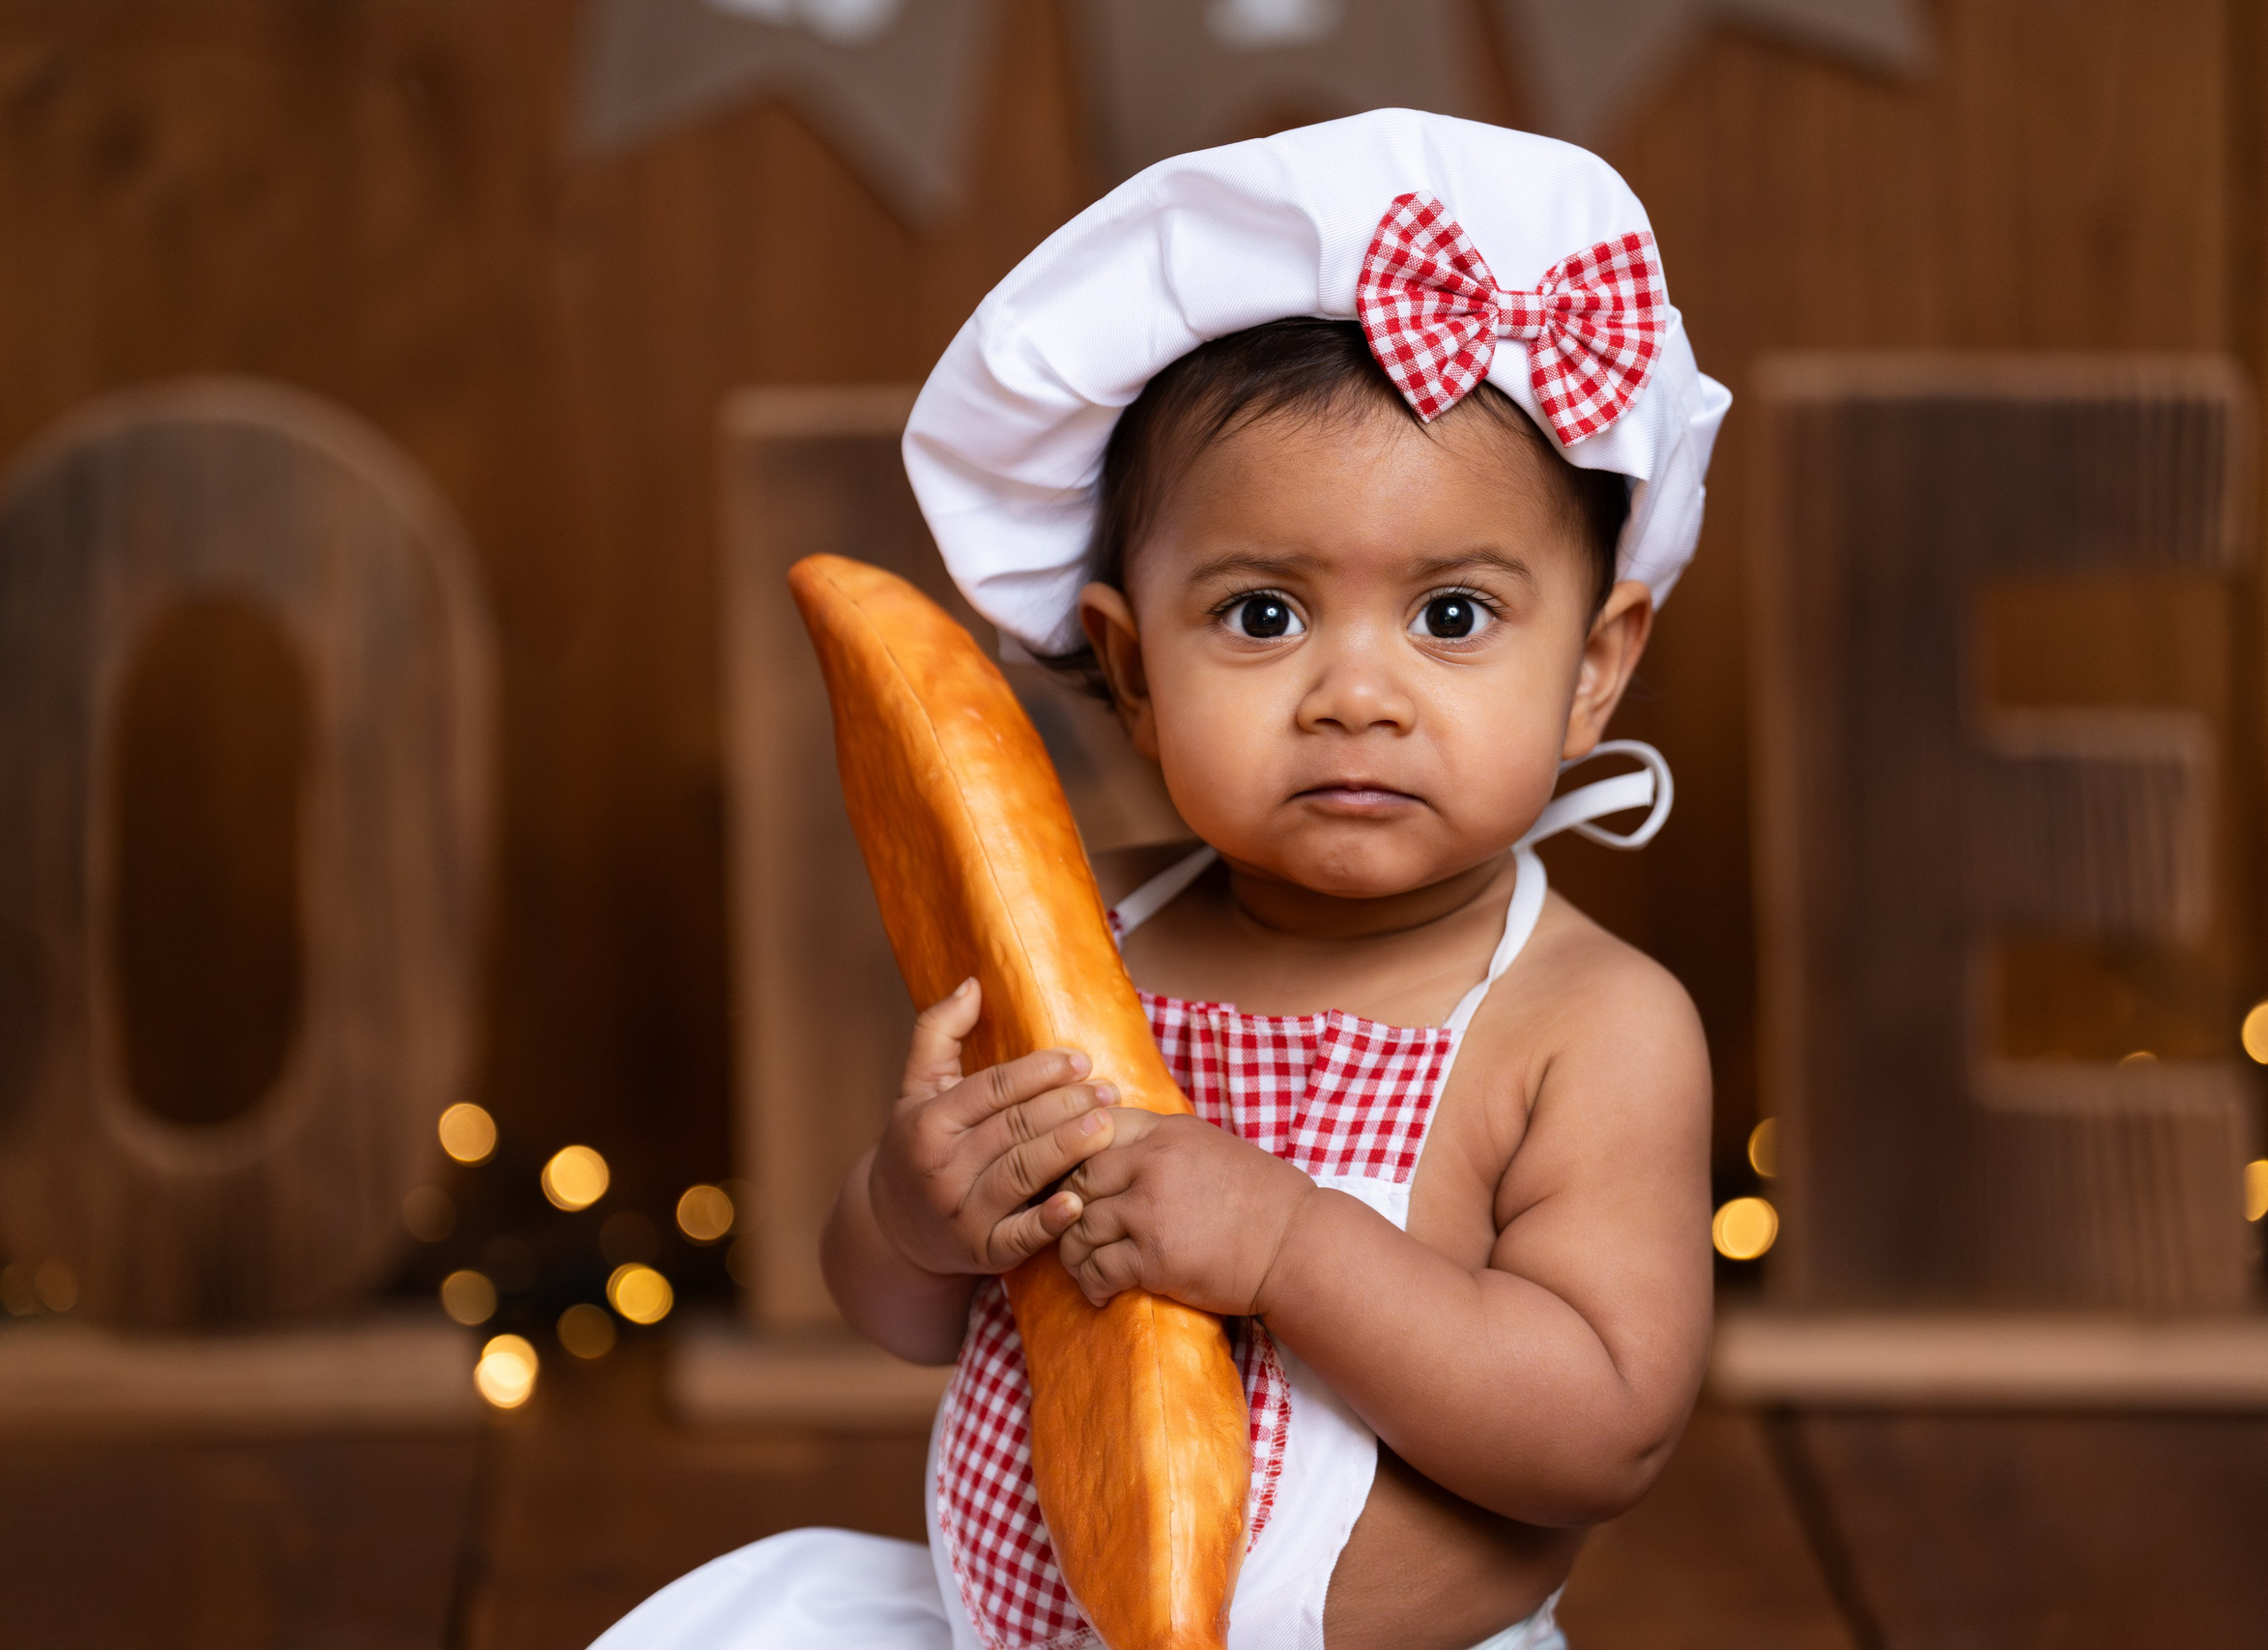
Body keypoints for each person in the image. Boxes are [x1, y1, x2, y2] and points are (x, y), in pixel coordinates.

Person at [596, 107, 1730, 1650]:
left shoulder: (1587, 1025)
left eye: (1452, 618)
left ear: (1596, 666)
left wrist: (1287, 1246)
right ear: (1130, 668)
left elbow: (1607, 1431)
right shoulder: (1084, 926)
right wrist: (914, 1214)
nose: (1355, 693)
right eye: (1262, 617)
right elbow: (911, 1319)